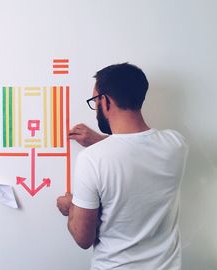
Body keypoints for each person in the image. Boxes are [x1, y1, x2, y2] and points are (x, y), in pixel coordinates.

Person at [57, 63, 188, 269]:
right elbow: (135, 150)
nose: (95, 109)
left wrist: (70, 206)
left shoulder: (92, 160)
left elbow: (83, 238)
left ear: (106, 101)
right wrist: (100, 140)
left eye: (95, 101)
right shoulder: (176, 144)